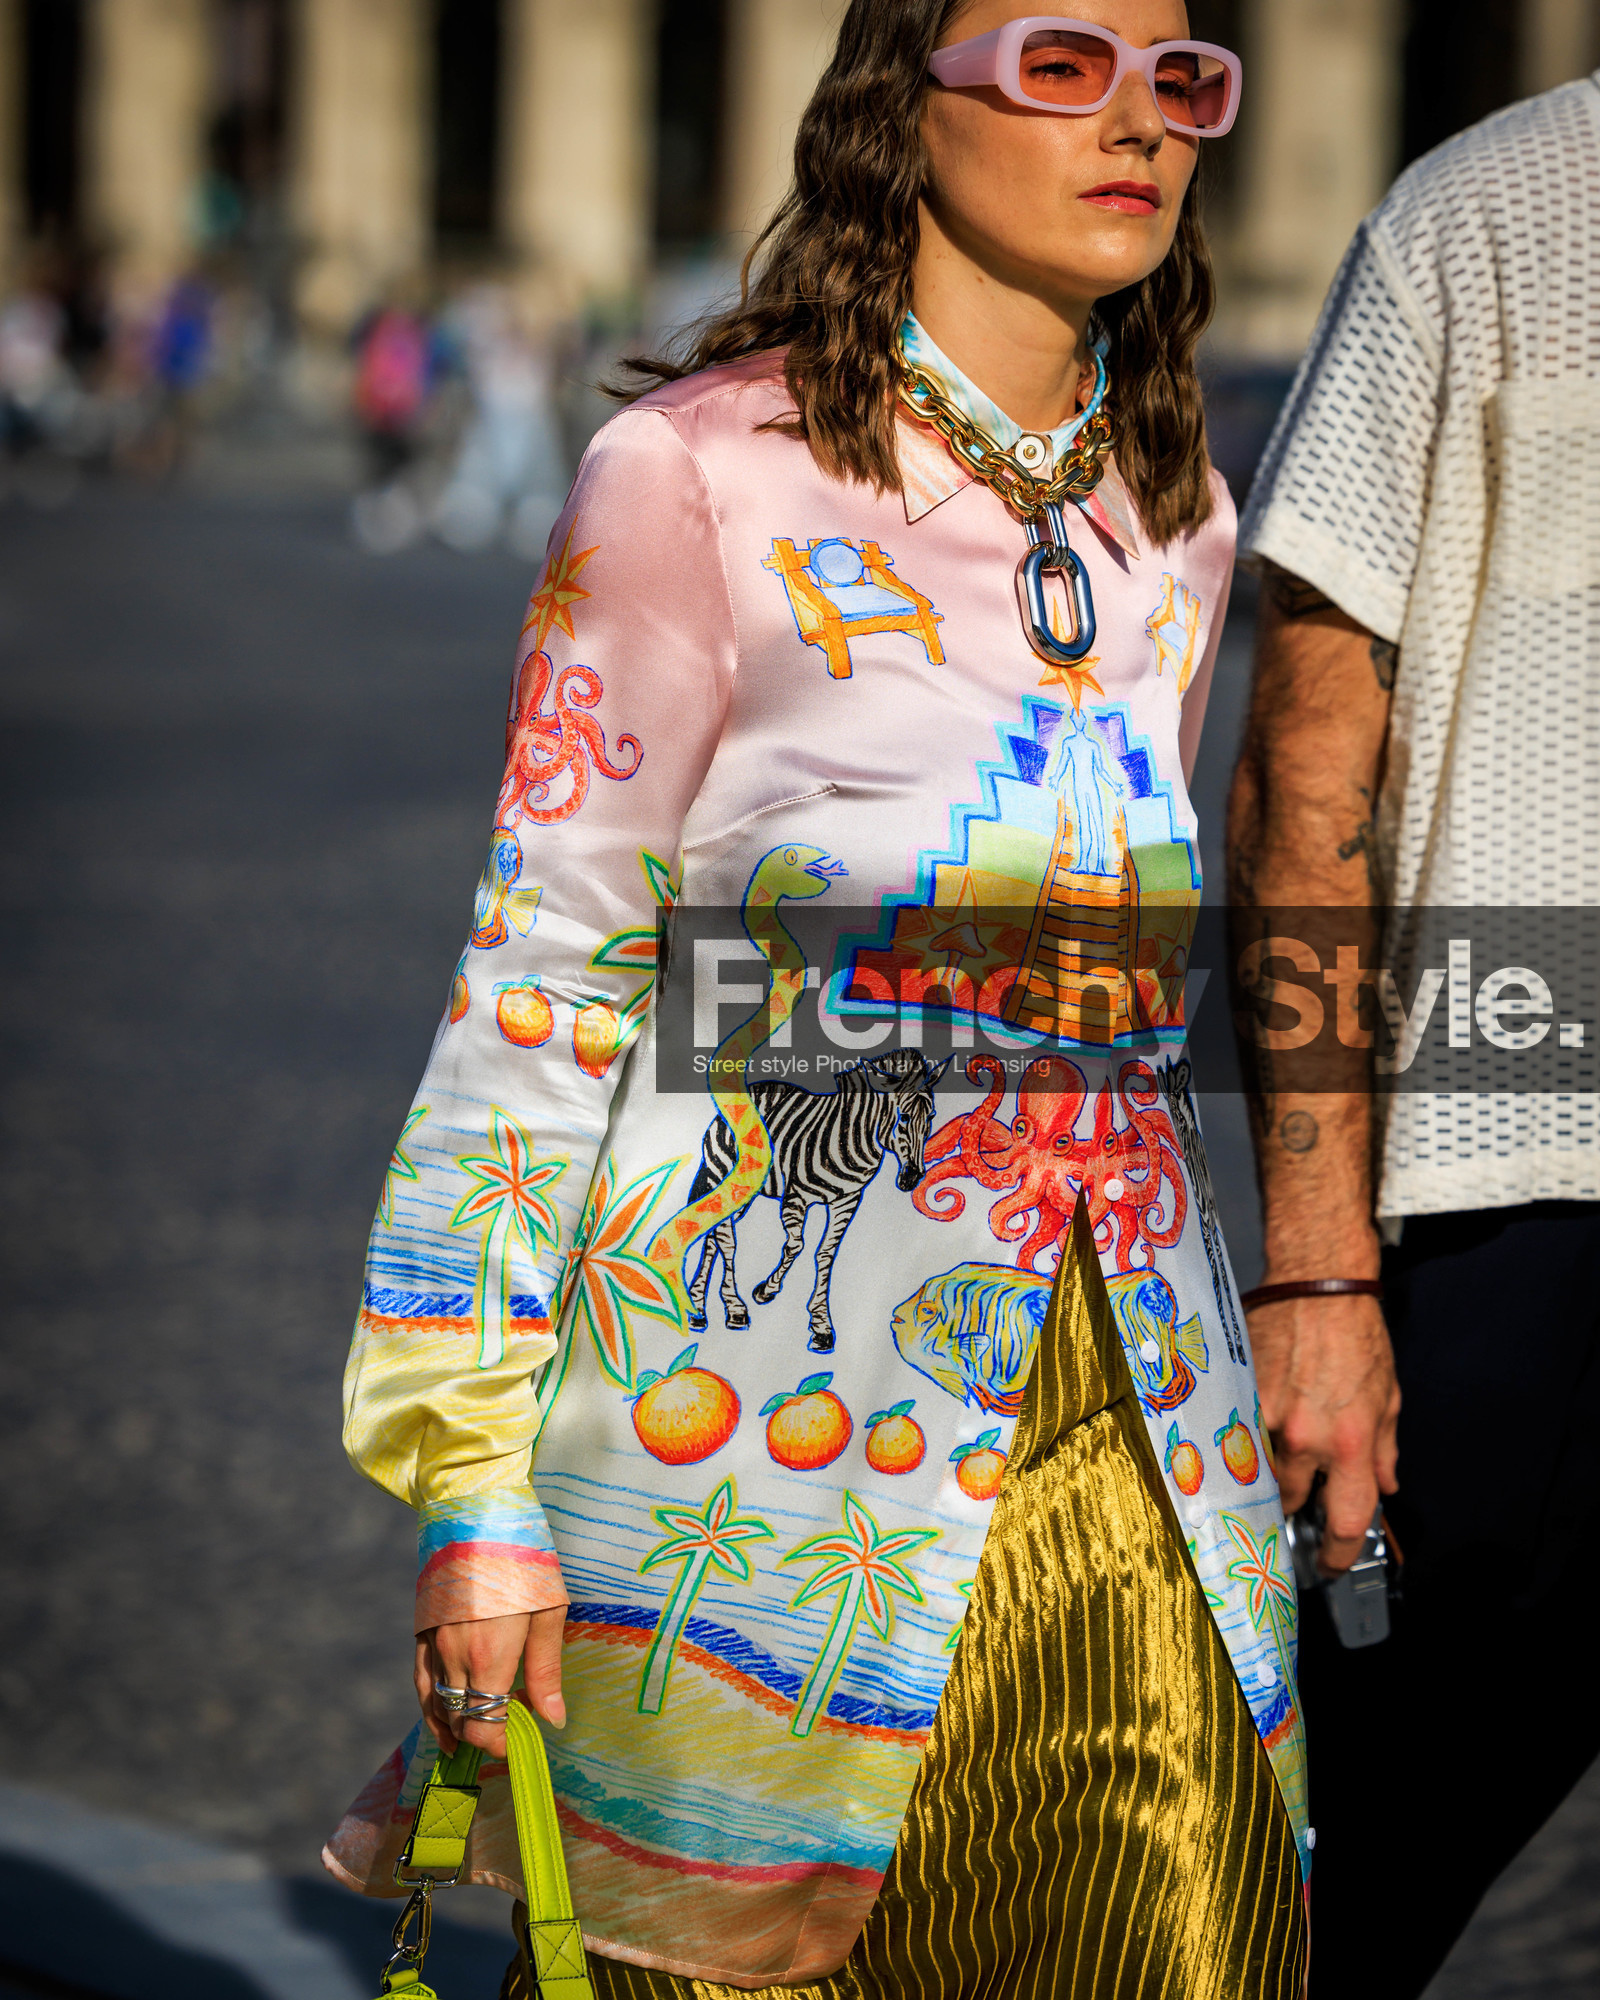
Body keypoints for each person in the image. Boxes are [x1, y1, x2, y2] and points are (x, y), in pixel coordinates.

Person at [326, 4, 1310, 1995]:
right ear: (898, 106)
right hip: (759, 1456)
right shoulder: (690, 477)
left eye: (1180, 79)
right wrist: (473, 1489)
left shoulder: (1176, 515)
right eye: (1058, 61)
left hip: (1140, 1429)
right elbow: (542, 981)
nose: (1136, 117)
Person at [1230, 66, 1600, 2000]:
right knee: (1322, 1908)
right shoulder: (1486, 219)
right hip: (1527, 1208)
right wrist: (1313, 1264)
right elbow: (1308, 765)